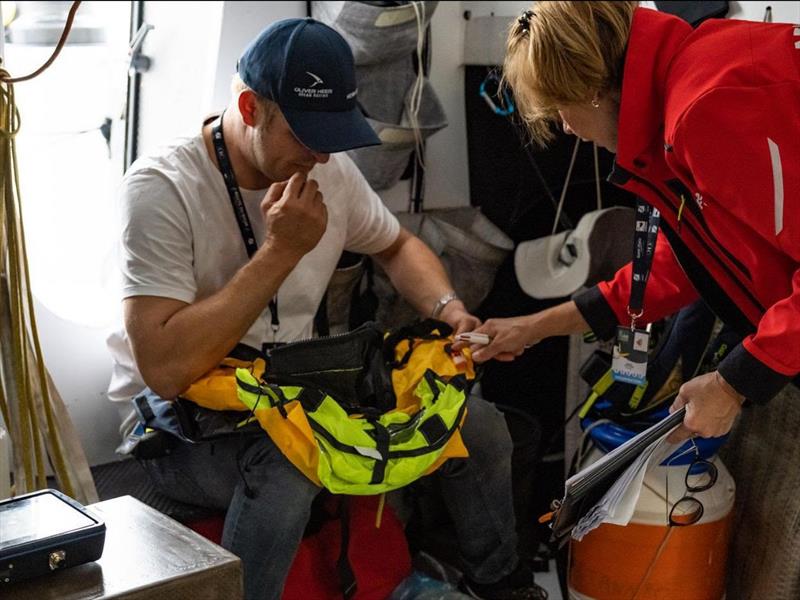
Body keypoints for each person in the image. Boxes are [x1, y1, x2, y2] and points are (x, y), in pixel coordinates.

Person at [106, 17, 547, 600]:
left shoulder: (325, 170)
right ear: (249, 106)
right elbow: (164, 369)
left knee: (474, 420)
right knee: (291, 464)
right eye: (306, 134)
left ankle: (503, 587)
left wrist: (450, 309)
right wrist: (280, 251)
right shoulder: (161, 188)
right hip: (181, 422)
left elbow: (397, 245)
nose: (320, 154)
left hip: (292, 390)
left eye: (331, 135)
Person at [460, 2, 800, 442]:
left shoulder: (705, 109)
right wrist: (532, 327)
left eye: (560, 108)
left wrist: (732, 385)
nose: (566, 128)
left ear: (590, 89)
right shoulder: (693, 74)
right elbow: (685, 264)